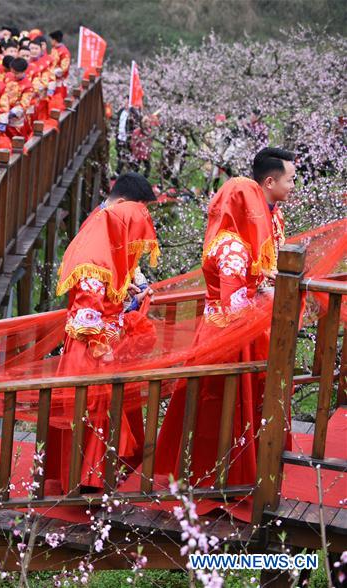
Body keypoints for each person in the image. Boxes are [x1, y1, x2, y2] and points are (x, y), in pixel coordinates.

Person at [155, 148, 296, 488]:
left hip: (245, 332)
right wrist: (266, 294)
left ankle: (247, 467)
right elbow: (235, 304)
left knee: (246, 402)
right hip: (229, 335)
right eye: (290, 180)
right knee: (222, 406)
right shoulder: (231, 247)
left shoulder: (249, 237)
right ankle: (219, 477)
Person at [50, 173, 159, 493]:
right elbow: (87, 311)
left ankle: (98, 479)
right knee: (93, 413)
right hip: (91, 345)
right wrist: (103, 344)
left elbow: (114, 284)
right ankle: (89, 484)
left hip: (105, 337)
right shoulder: (98, 238)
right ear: (125, 206)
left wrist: (130, 293)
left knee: (106, 415)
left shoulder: (108, 226)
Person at [0, 58, 35, 140]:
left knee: (16, 139)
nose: (13, 74)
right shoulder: (7, 76)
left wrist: (11, 113)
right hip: (3, 111)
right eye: (12, 71)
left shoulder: (28, 86)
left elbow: (24, 104)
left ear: (24, 71)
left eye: (16, 73)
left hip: (15, 118)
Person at [48, 30, 71, 101]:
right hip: (51, 78)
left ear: (54, 40)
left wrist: (52, 72)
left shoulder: (64, 52)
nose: (50, 41)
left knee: (58, 101)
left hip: (59, 81)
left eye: (51, 39)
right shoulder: (54, 49)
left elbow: (64, 68)